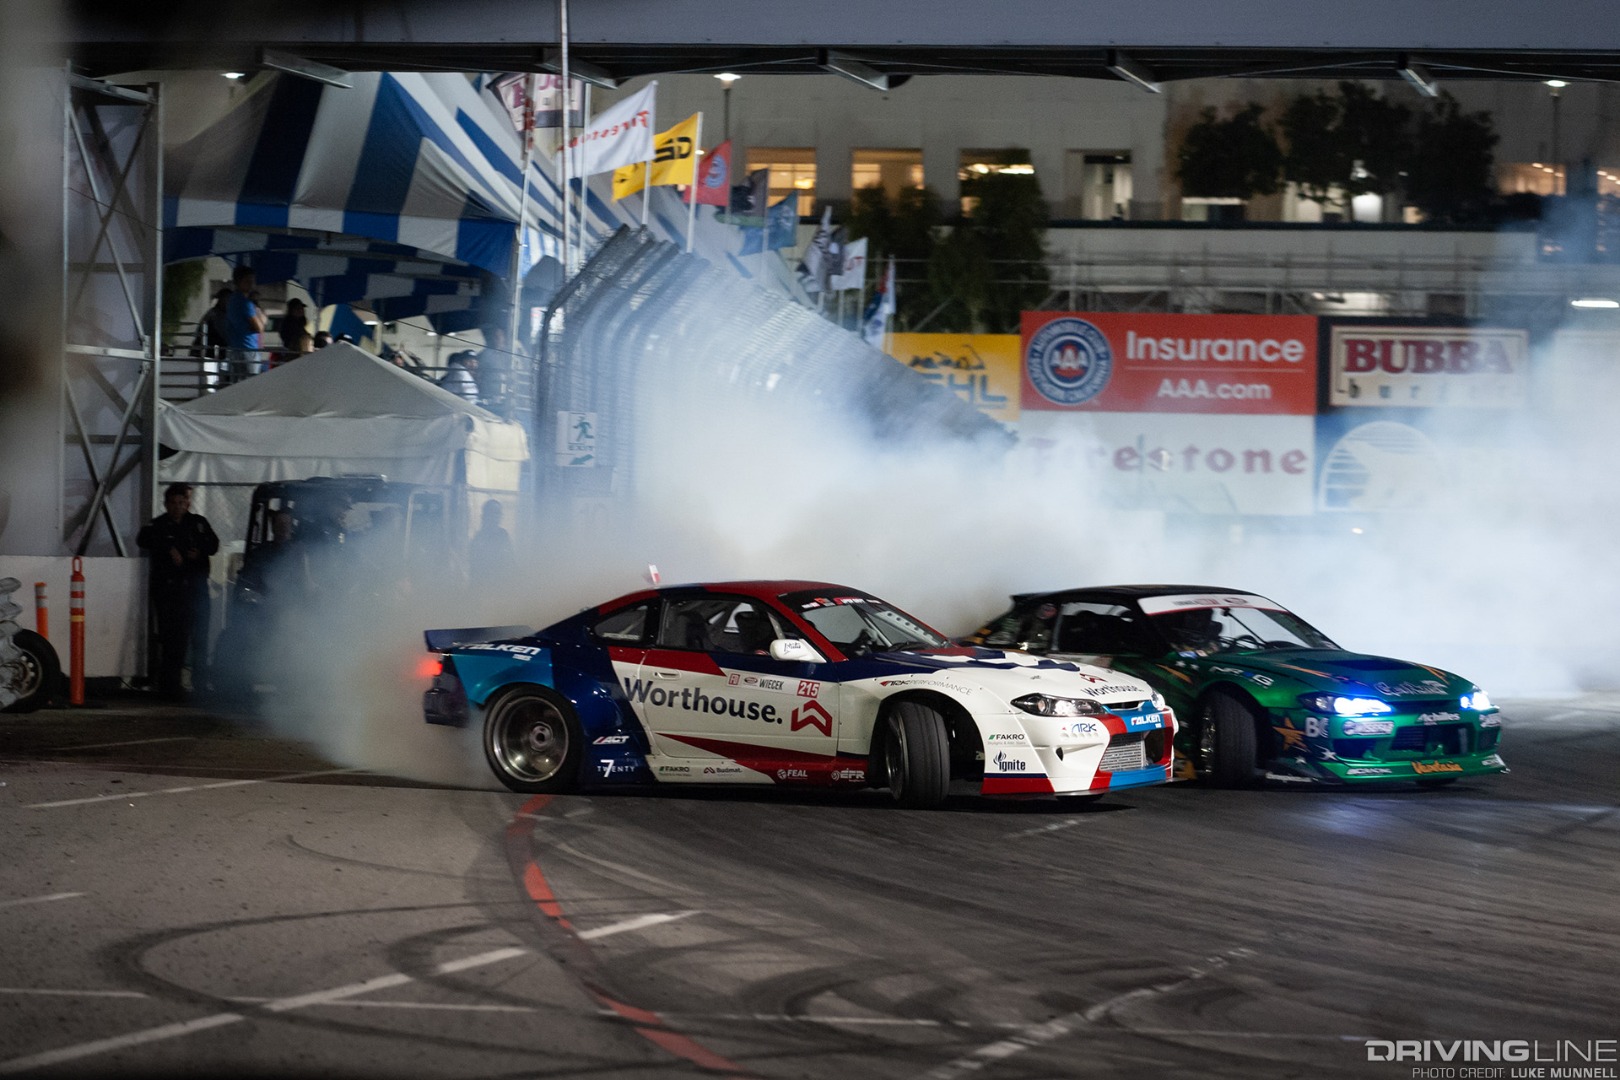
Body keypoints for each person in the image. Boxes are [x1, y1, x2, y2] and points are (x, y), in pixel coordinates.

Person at [136, 483, 219, 698]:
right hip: (171, 593)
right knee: (173, 640)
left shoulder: (198, 523)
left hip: (197, 590)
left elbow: (214, 545)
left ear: (188, 503)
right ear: (166, 504)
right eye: (173, 503)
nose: (177, 507)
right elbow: (142, 539)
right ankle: (170, 686)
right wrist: (167, 548)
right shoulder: (159, 526)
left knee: (200, 637)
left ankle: (200, 685)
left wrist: (198, 553)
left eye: (181, 503)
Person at [224, 265, 267, 380]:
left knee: (237, 385)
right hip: (248, 349)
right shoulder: (246, 303)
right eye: (248, 281)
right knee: (250, 386)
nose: (251, 284)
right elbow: (259, 327)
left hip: (235, 349)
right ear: (238, 282)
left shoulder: (233, 300)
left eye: (252, 281)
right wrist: (259, 315)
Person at [467, 498, 516, 593]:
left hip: (503, 588)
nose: (496, 517)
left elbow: (511, 561)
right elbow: (475, 569)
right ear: (484, 516)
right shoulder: (478, 539)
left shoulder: (503, 535)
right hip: (483, 590)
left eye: (498, 513)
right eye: (493, 513)